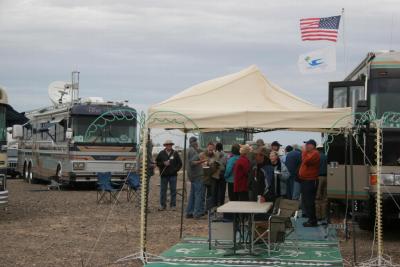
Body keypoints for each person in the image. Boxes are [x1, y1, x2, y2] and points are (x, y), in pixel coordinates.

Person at [156, 139, 183, 211]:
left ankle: (173, 205)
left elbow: (180, 164)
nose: (169, 146)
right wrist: (163, 163)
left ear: (172, 145)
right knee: (163, 191)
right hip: (164, 175)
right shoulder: (161, 153)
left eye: (170, 144)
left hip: (173, 175)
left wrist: (175, 170)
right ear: (165, 146)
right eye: (167, 145)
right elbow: (157, 163)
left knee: (173, 191)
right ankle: (162, 205)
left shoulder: (175, 153)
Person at [299, 139, 320, 227]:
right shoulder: (309, 153)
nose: (306, 146)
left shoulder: (314, 153)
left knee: (309, 201)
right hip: (306, 180)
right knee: (306, 200)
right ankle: (311, 219)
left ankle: (312, 221)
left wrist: (304, 152)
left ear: (312, 146)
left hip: (310, 180)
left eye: (307, 144)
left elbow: (305, 161)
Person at [186, 136, 206, 219]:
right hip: (197, 175)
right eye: (196, 142)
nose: (197, 143)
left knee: (192, 195)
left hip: (192, 176)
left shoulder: (189, 150)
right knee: (199, 195)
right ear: (193, 142)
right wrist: (202, 161)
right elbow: (192, 163)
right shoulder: (193, 151)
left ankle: (189, 212)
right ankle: (197, 213)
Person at [200, 142, 221, 210]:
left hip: (212, 178)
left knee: (210, 195)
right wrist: (209, 164)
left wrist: (210, 164)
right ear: (207, 147)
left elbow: (216, 167)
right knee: (202, 195)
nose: (210, 151)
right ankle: (201, 209)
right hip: (203, 177)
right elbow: (202, 166)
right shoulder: (202, 155)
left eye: (212, 150)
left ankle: (208, 209)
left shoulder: (216, 156)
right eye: (209, 149)